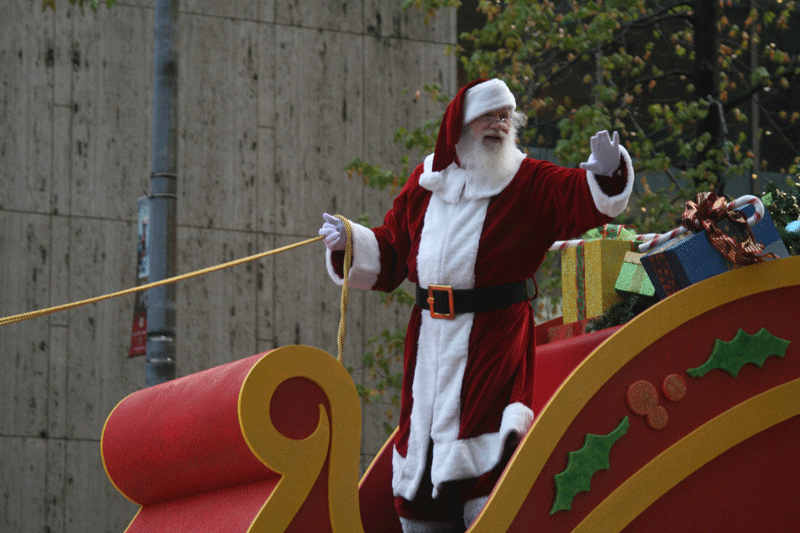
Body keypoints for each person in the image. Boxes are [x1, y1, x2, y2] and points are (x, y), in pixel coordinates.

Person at [320, 78, 633, 533]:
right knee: (423, 448)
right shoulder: (427, 180)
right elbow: (392, 252)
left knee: (486, 457)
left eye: (506, 116)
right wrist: (350, 242)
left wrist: (608, 173)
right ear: (460, 126)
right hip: (429, 339)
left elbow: (580, 199)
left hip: (494, 338)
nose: (499, 124)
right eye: (489, 115)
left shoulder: (528, 180)